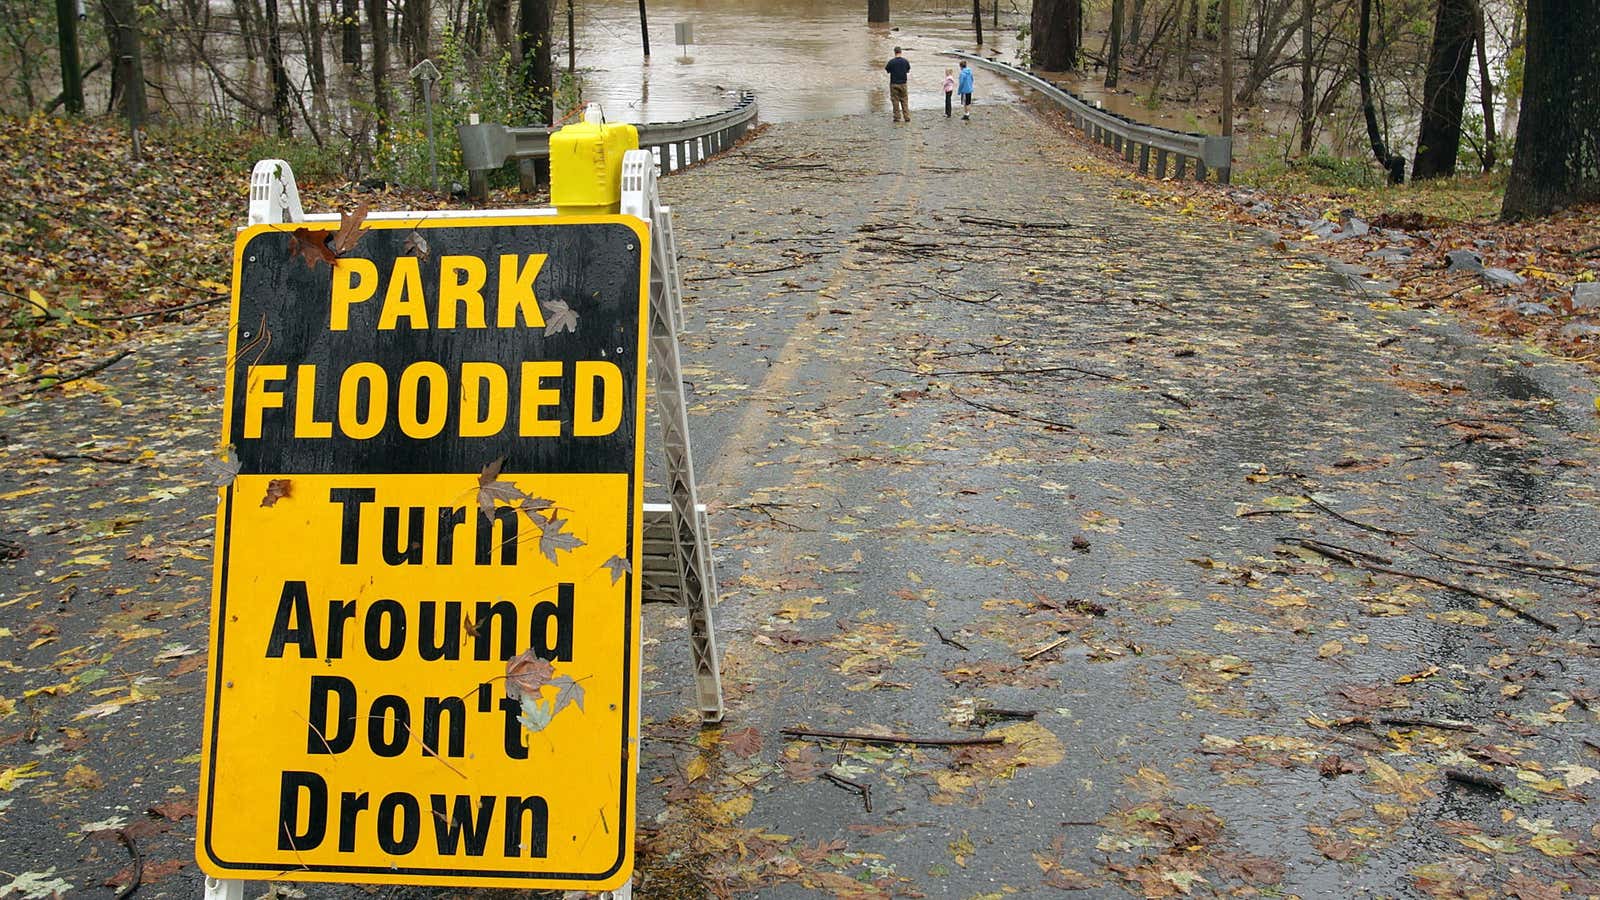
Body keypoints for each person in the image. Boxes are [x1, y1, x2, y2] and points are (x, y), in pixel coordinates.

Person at [885, 46, 910, 123]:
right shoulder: (905, 61)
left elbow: (887, 70)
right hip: (903, 83)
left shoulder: (891, 62)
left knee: (895, 101)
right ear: (900, 52)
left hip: (894, 83)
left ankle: (897, 117)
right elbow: (908, 70)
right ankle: (906, 117)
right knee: (904, 100)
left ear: (894, 52)